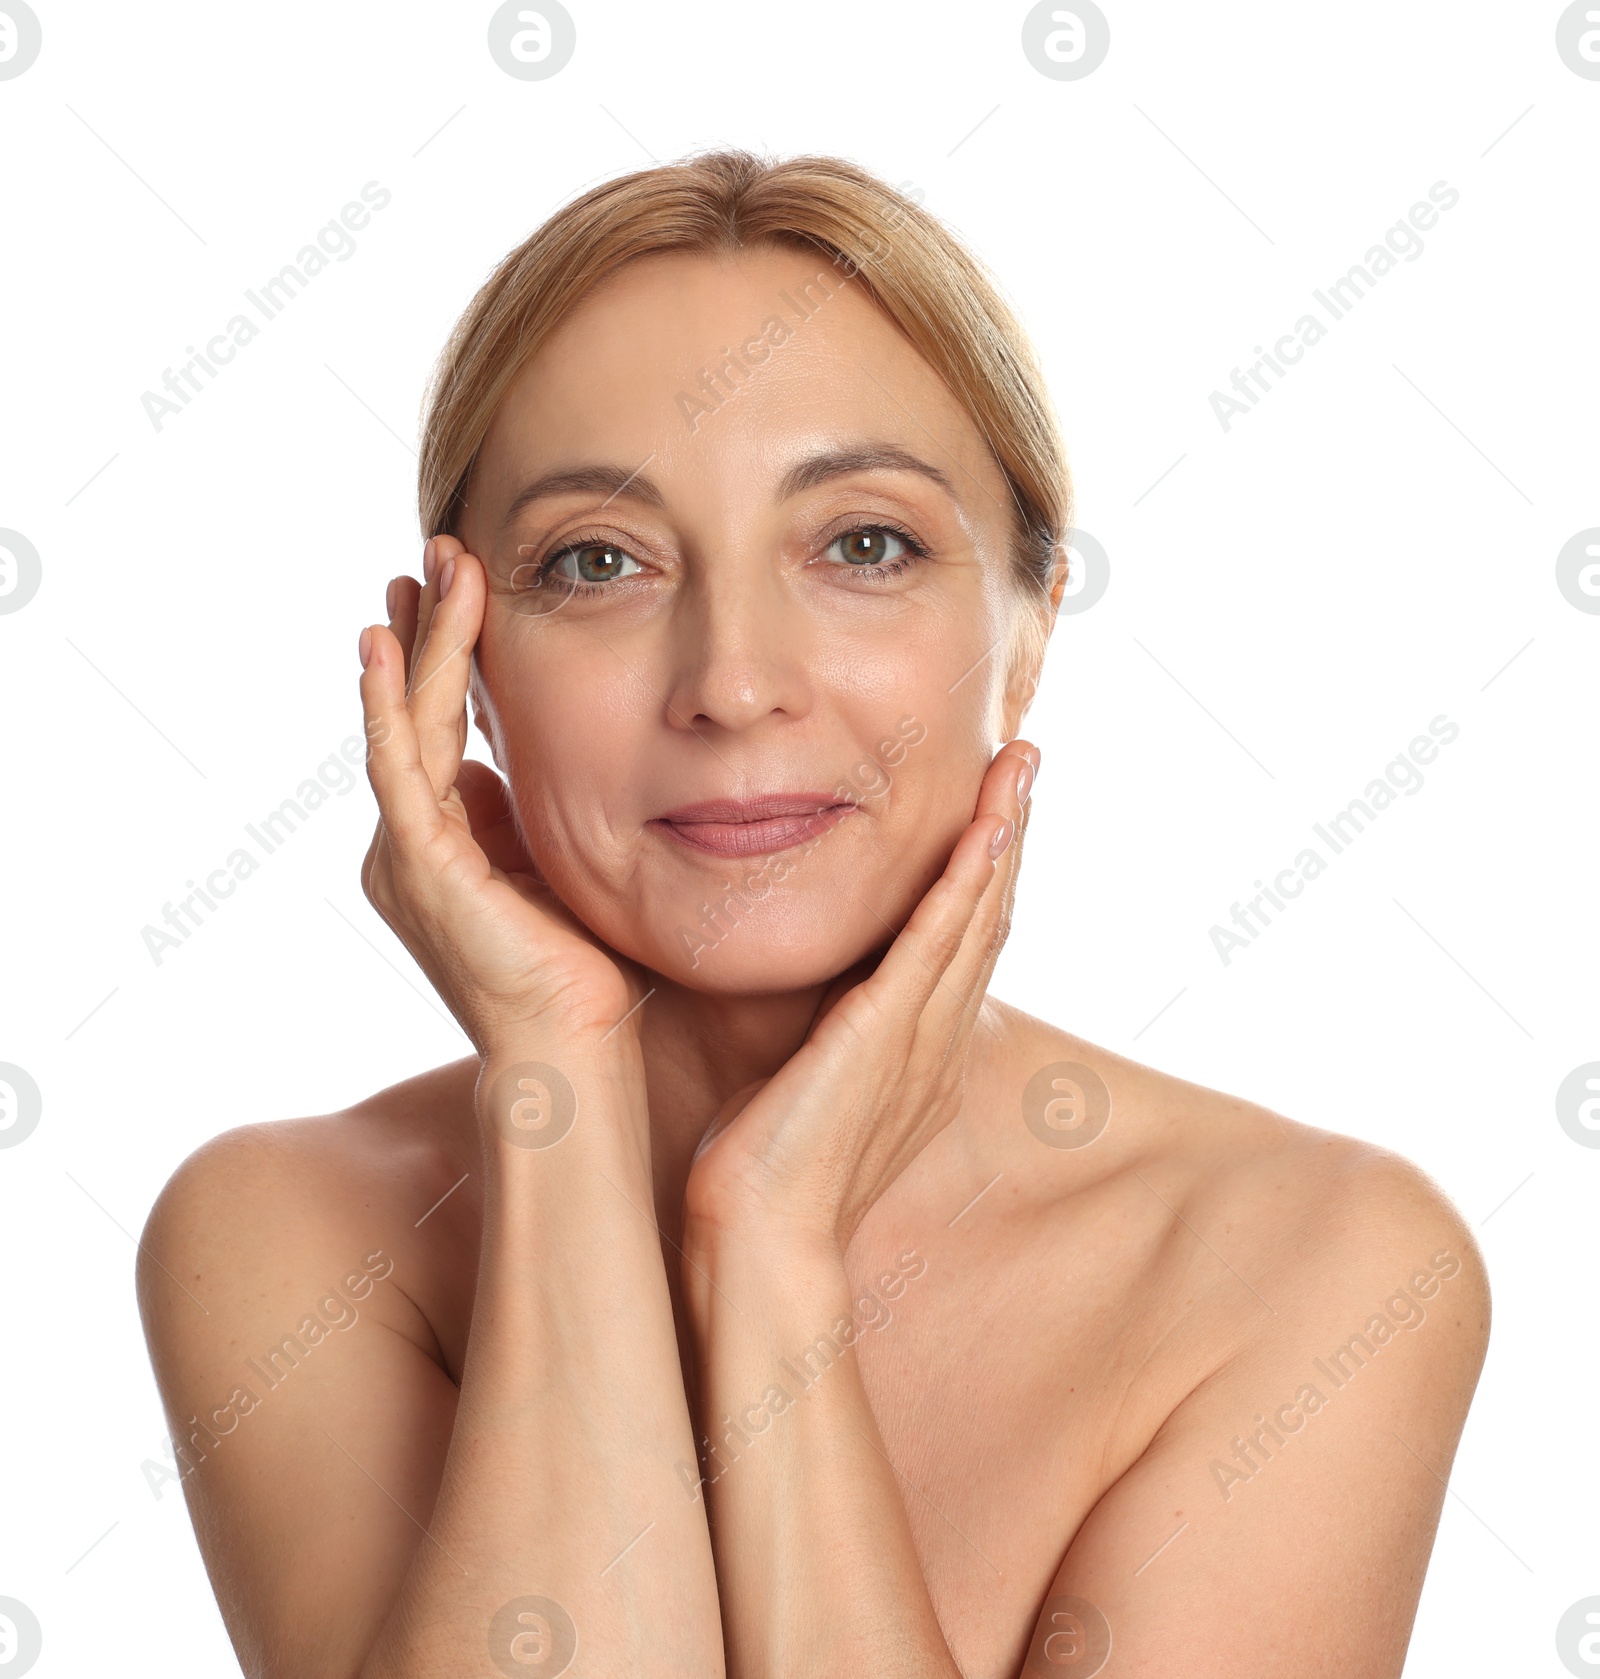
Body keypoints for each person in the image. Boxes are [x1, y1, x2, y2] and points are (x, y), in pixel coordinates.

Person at [137, 149, 1489, 1679]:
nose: (732, 682)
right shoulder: (284, 1241)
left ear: (1030, 627)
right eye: (598, 562)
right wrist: (558, 1083)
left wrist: (769, 1248)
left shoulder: (1319, 1269)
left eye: (864, 544)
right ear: (467, 672)